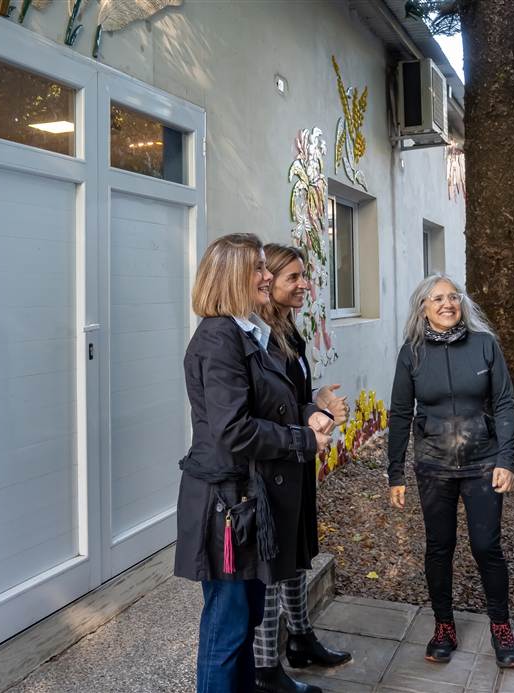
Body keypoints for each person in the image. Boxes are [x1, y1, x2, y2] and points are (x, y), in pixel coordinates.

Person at [175, 233, 334, 693]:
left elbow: (276, 402)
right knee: (226, 632)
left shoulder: (245, 333)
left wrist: (309, 415)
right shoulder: (219, 338)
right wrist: (301, 439)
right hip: (227, 505)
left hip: (249, 504)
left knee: (242, 627)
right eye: (259, 269)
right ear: (231, 278)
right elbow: (233, 429)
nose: (267, 277)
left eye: (267, 267)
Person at [387, 274, 514, 669]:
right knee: (439, 548)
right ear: (423, 308)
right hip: (434, 466)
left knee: (486, 547)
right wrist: (395, 473)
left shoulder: (485, 345)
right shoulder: (411, 353)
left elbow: (506, 404)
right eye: (437, 299)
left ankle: (501, 626)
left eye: (453, 297)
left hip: (483, 463)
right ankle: (443, 625)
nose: (448, 304)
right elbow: (399, 414)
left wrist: (506, 460)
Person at [253, 244, 353, 693]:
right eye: (293, 277)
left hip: (296, 457)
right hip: (272, 464)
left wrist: (319, 406)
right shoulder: (254, 337)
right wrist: (310, 414)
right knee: (273, 567)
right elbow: (261, 409)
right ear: (268, 280)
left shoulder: (287, 330)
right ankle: (266, 669)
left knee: (296, 557)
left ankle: (301, 639)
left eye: (303, 276)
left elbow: (293, 397)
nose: (304, 284)